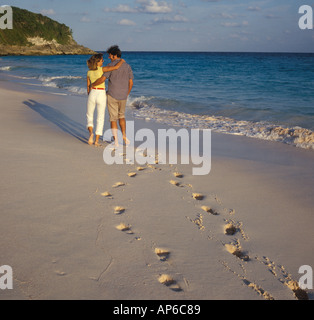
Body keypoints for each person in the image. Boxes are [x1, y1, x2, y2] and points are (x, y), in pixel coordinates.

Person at [91, 45, 134, 147]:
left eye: (110, 55)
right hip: (123, 96)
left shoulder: (110, 66)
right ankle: (124, 135)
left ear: (114, 56)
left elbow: (102, 79)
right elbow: (131, 82)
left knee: (113, 119)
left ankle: (116, 141)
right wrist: (126, 93)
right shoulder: (127, 66)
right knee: (122, 116)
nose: (109, 57)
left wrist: (92, 84)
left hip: (112, 95)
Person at [86, 53, 125, 146]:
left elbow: (88, 86)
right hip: (101, 93)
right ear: (98, 62)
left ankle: (91, 134)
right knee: (100, 117)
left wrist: (90, 94)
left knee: (89, 115)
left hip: (92, 93)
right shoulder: (102, 69)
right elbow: (116, 67)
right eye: (102, 60)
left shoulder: (89, 72)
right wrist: (122, 61)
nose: (103, 61)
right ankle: (96, 141)